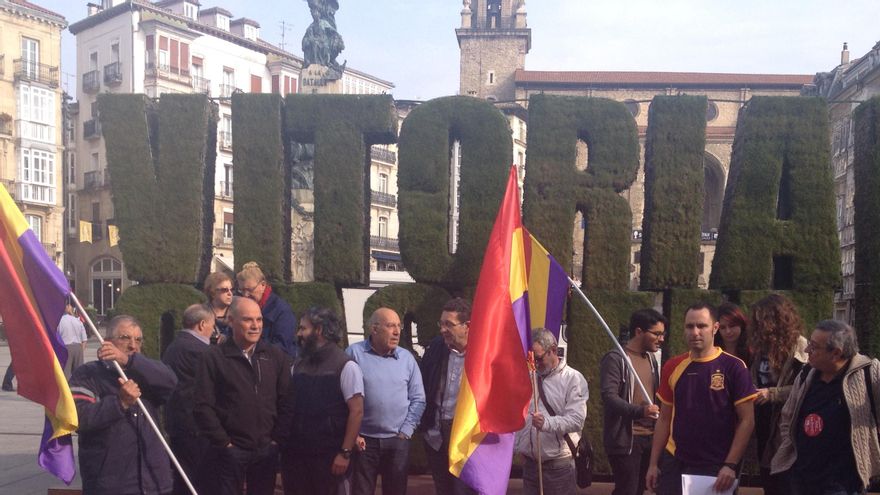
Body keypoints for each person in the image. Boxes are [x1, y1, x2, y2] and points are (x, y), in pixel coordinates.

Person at [646, 302, 757, 495]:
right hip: (675, 460)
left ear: (715, 328)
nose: (695, 332)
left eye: (701, 326)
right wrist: (654, 463)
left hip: (716, 466)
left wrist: (730, 464)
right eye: (690, 326)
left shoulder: (734, 367)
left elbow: (747, 420)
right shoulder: (673, 366)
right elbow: (664, 419)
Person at [69, 315, 178, 495]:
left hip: (154, 481)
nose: (132, 345)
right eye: (125, 338)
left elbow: (171, 382)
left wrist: (129, 361)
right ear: (108, 342)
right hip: (112, 483)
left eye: (138, 340)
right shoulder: (87, 374)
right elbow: (80, 418)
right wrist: (120, 403)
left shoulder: (146, 372)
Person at [193, 297, 292, 495]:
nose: (255, 326)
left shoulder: (275, 356)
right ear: (231, 321)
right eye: (248, 320)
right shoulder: (213, 357)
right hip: (229, 452)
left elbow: (287, 401)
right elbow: (202, 405)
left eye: (259, 320)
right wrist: (224, 443)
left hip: (266, 451)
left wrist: (276, 440)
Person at [771, 320, 880, 495]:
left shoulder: (868, 373)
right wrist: (790, 446)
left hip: (843, 483)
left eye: (813, 347)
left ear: (835, 353)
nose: (806, 351)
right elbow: (788, 416)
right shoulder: (807, 374)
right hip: (802, 477)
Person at [280, 307, 364, 495]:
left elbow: (356, 411)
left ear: (318, 330)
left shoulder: (347, 366)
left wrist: (345, 453)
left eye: (303, 328)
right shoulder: (298, 363)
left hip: (329, 458)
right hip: (296, 456)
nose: (299, 334)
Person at [346, 307, 426, 495]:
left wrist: (406, 431)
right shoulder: (353, 354)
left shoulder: (407, 359)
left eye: (398, 326)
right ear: (374, 329)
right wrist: (353, 435)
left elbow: (419, 399)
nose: (397, 332)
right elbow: (341, 398)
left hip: (397, 441)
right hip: (364, 441)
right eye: (390, 326)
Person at [515, 328, 588, 495]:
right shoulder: (528, 375)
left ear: (553, 350)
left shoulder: (573, 378)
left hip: (558, 467)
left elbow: (577, 420)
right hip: (531, 465)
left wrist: (547, 423)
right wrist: (519, 445)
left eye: (539, 358)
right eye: (530, 359)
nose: (534, 364)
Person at [600, 308, 665, 495]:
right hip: (626, 440)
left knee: (639, 490)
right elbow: (609, 398)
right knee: (626, 490)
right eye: (657, 334)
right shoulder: (616, 359)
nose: (661, 339)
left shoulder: (651, 360)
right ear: (639, 332)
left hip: (650, 436)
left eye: (663, 334)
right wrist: (641, 411)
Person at [749, 293, 808, 494]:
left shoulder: (799, 345)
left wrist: (772, 394)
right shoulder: (761, 348)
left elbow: (806, 386)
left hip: (786, 422)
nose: (758, 325)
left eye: (762, 320)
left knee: (785, 479)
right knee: (768, 477)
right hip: (763, 419)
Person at [419, 297, 477, 495]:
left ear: (467, 326)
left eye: (449, 324)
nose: (443, 329)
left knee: (463, 491)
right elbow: (424, 385)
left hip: (465, 439)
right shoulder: (436, 347)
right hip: (435, 436)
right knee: (443, 490)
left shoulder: (481, 353)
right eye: (441, 323)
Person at [162, 304, 215, 494]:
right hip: (195, 428)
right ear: (202, 325)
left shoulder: (175, 346)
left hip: (179, 424)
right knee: (195, 481)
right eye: (212, 326)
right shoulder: (199, 351)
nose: (213, 332)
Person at [236, 261, 298, 358]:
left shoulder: (282, 310)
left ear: (263, 285)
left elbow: (282, 347)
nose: (245, 295)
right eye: (242, 290)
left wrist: (251, 349)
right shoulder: (242, 307)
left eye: (250, 289)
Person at [57, 301, 88, 379]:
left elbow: (57, 337)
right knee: (79, 373)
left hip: (66, 348)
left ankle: (67, 390)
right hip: (78, 347)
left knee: (66, 374)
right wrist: (81, 350)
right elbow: (84, 339)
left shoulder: (59, 321)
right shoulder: (78, 321)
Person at [203, 271, 234, 342]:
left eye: (231, 289)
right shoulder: (202, 313)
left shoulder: (238, 310)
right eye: (225, 290)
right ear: (212, 293)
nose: (230, 293)